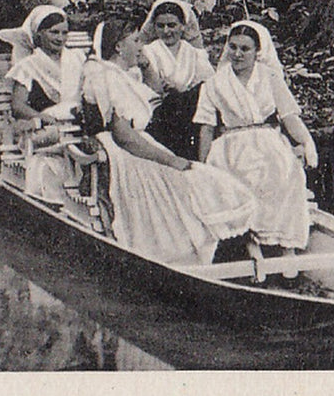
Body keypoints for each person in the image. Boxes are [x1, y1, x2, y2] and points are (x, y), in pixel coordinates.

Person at [82, 19, 256, 266]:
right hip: (127, 152)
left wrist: (145, 66)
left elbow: (152, 99)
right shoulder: (105, 76)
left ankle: (225, 243)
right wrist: (170, 160)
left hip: (142, 141)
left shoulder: (124, 74)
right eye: (136, 41)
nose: (142, 46)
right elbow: (124, 136)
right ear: (119, 47)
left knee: (200, 177)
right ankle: (195, 251)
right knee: (191, 180)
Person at [194, 21, 319, 256]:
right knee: (240, 176)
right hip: (231, 144)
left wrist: (306, 141)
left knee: (284, 172)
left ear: (256, 51)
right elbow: (206, 127)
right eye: (233, 47)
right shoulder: (214, 84)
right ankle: (251, 241)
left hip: (267, 140)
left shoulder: (269, 77)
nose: (238, 54)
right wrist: (202, 166)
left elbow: (289, 115)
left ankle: (286, 246)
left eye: (245, 49)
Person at [2, 6, 85, 205]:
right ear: (39, 34)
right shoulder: (29, 65)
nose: (60, 38)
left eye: (64, 33)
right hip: (43, 130)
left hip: (76, 123)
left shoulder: (77, 59)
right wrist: (42, 117)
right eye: (54, 32)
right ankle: (54, 196)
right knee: (51, 159)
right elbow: (18, 106)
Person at [137, 0, 213, 160]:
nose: (166, 31)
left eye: (172, 25)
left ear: (182, 26)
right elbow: (150, 87)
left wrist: (181, 90)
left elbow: (208, 82)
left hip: (190, 109)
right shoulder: (148, 51)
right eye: (161, 26)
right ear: (154, 27)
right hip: (160, 111)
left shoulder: (193, 52)